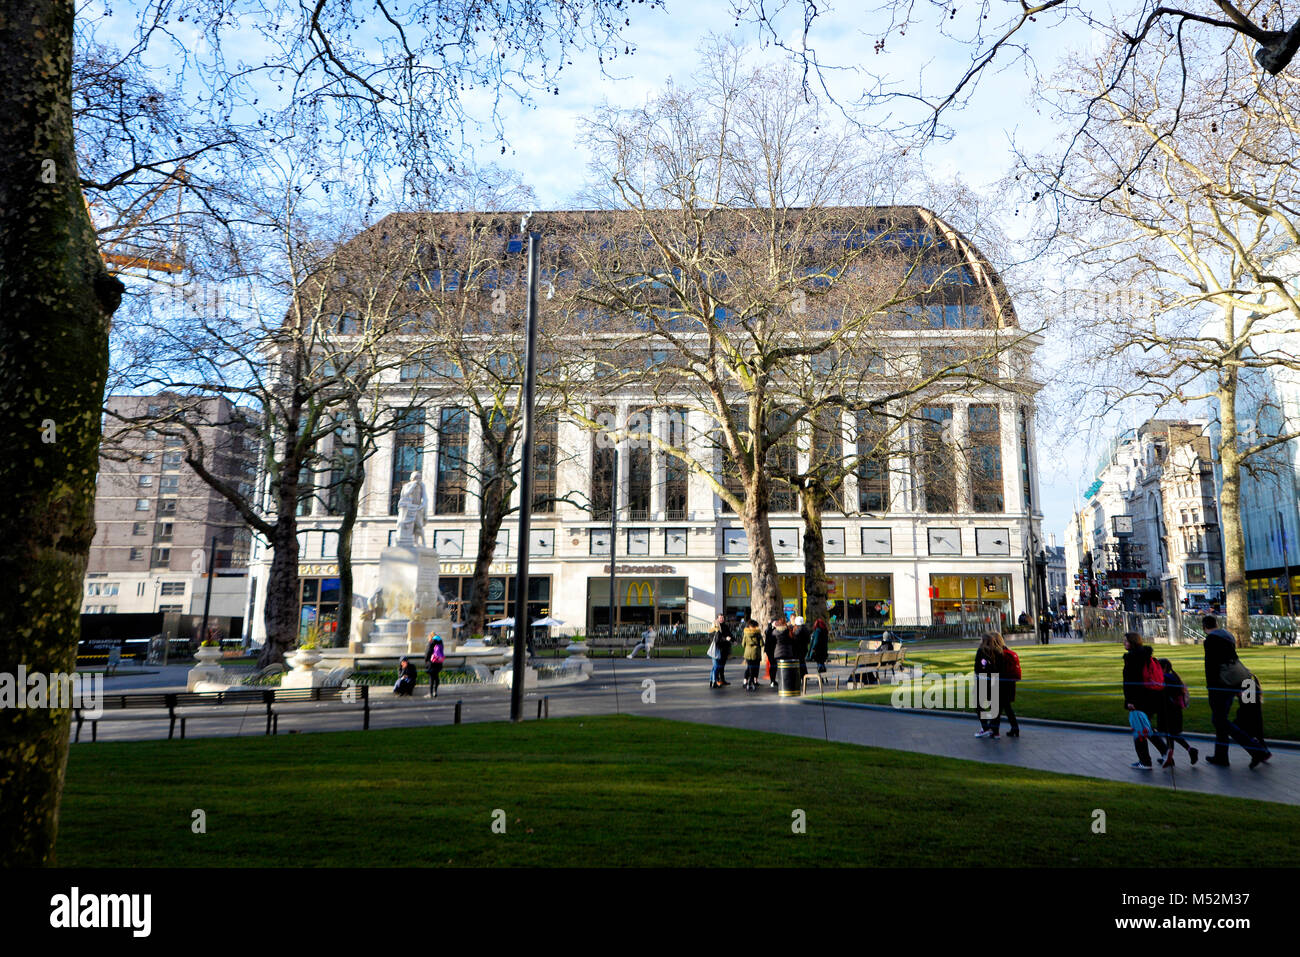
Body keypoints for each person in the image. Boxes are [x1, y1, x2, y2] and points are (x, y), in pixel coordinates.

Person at [1201, 615, 1271, 767]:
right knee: (1251, 715)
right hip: (1243, 678)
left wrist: (1210, 687)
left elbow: (1211, 665)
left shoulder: (1210, 641)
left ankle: (1255, 750)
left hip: (1223, 683)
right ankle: (1222, 755)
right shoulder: (1228, 636)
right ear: (1217, 624)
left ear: (1204, 627)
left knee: (1219, 720)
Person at [1122, 632, 1170, 769]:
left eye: (1126, 641)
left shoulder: (1132, 658)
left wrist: (1130, 700)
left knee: (1139, 729)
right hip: (1151, 696)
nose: (1124, 643)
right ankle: (1165, 752)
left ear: (1132, 642)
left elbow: (1130, 682)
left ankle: (1145, 760)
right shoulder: (1146, 655)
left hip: (1138, 698)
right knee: (1145, 726)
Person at [973, 632, 1019, 738]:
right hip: (999, 682)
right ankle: (997, 730)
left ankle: (987, 727)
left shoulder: (982, 651)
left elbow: (978, 668)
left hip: (986, 682)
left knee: (980, 705)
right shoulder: (1000, 651)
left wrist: (983, 669)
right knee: (999, 707)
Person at [1155, 657, 1198, 765]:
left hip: (1168, 711)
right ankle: (1170, 757)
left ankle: (1190, 750)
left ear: (1164, 668)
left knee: (1171, 734)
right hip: (1175, 711)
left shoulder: (1166, 678)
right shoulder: (1174, 677)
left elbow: (1163, 694)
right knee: (1171, 735)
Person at [741, 618, 763, 691]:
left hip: (748, 653)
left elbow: (743, 644)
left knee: (749, 668)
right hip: (756, 653)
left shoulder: (746, 634)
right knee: (754, 668)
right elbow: (762, 643)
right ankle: (752, 681)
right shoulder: (758, 634)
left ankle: (746, 681)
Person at [425, 633, 445, 698]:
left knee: (431, 678)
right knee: (436, 677)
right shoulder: (440, 642)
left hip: (431, 663)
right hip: (438, 662)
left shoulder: (431, 642)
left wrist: (426, 661)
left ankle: (430, 693)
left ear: (431, 637)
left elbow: (428, 652)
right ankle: (435, 692)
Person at [792, 616, 810, 681]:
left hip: (799, 648)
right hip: (804, 648)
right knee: (802, 662)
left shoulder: (798, 630)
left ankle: (802, 676)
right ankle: (804, 675)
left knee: (800, 663)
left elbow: (795, 639)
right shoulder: (806, 629)